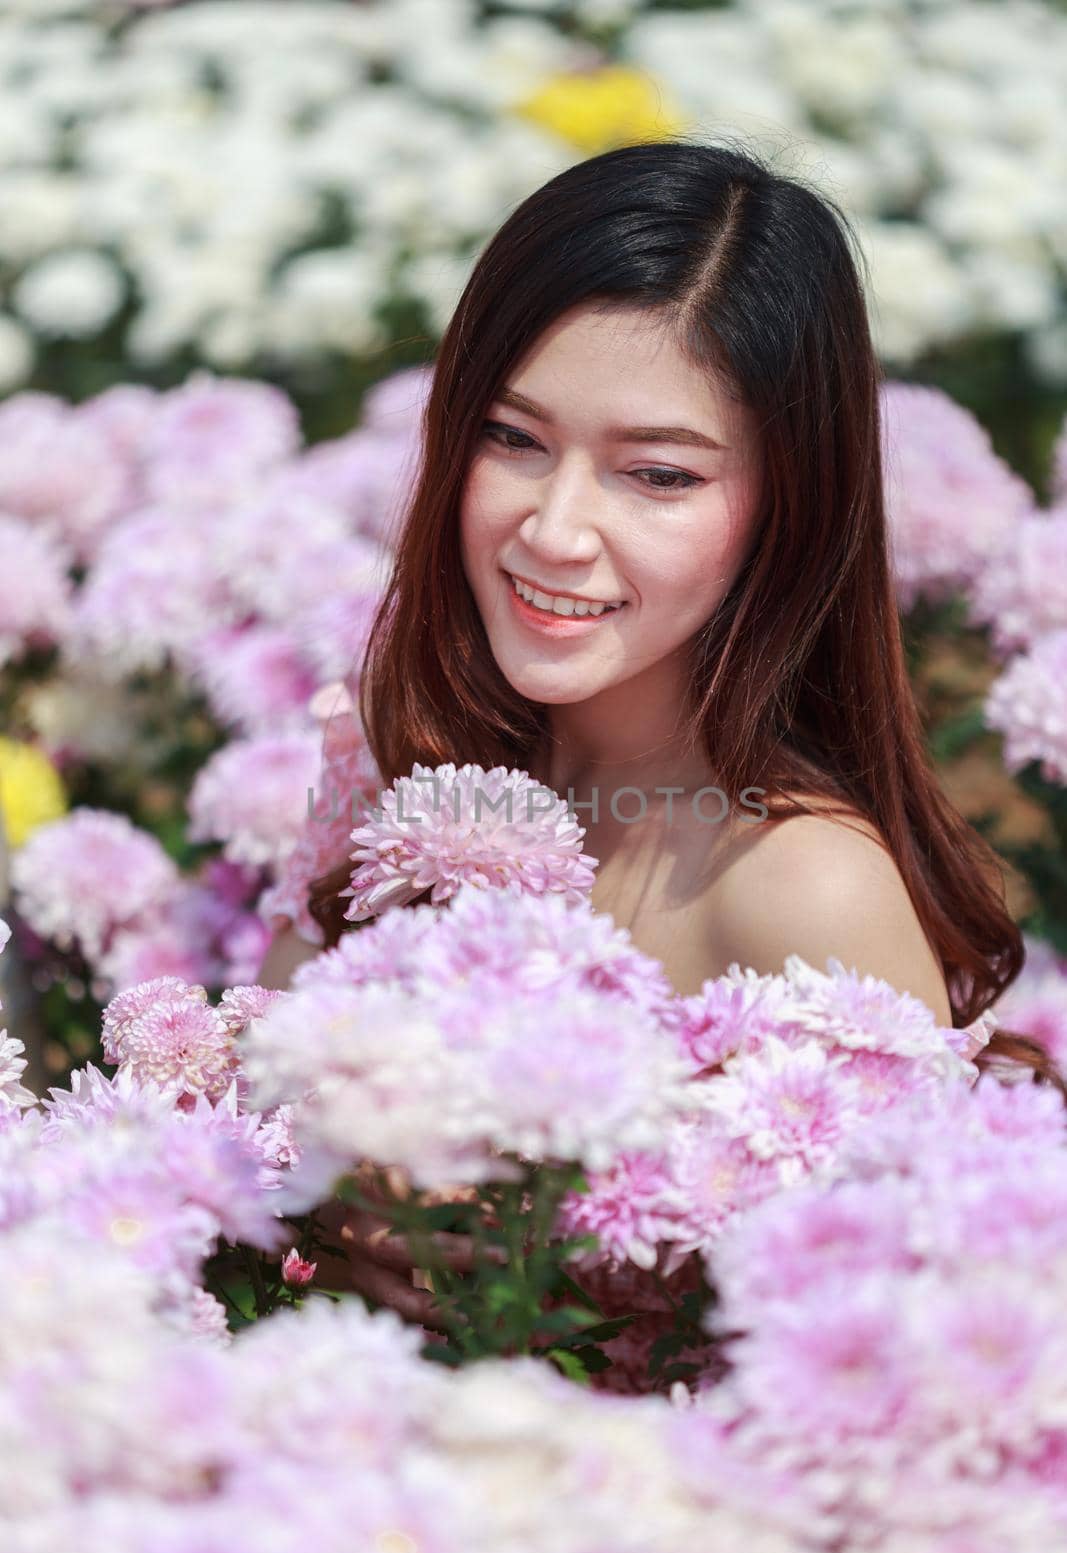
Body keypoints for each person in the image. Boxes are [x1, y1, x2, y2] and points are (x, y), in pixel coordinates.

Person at [257, 137, 1047, 1318]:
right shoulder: (403, 745)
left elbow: (885, 1355)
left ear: (791, 503)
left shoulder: (802, 889)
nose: (555, 531)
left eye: (658, 476)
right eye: (511, 439)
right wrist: (322, 1207)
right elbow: (256, 1104)